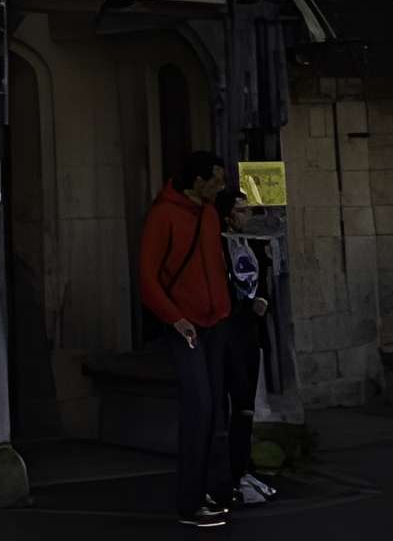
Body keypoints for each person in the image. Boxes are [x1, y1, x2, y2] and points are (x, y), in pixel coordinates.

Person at [138, 150, 232, 530]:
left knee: (215, 409)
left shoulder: (208, 214)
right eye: (216, 180)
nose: (222, 186)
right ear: (197, 182)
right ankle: (190, 501)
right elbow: (147, 277)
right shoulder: (163, 216)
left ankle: (211, 489)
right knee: (199, 407)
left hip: (214, 321)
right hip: (186, 324)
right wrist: (176, 319)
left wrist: (223, 308)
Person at [221, 188, 276, 506]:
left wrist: (263, 299)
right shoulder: (218, 244)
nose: (246, 217)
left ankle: (243, 468)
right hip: (230, 333)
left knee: (246, 405)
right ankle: (232, 472)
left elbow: (262, 275)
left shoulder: (252, 242)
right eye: (241, 211)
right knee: (233, 404)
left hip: (251, 333)